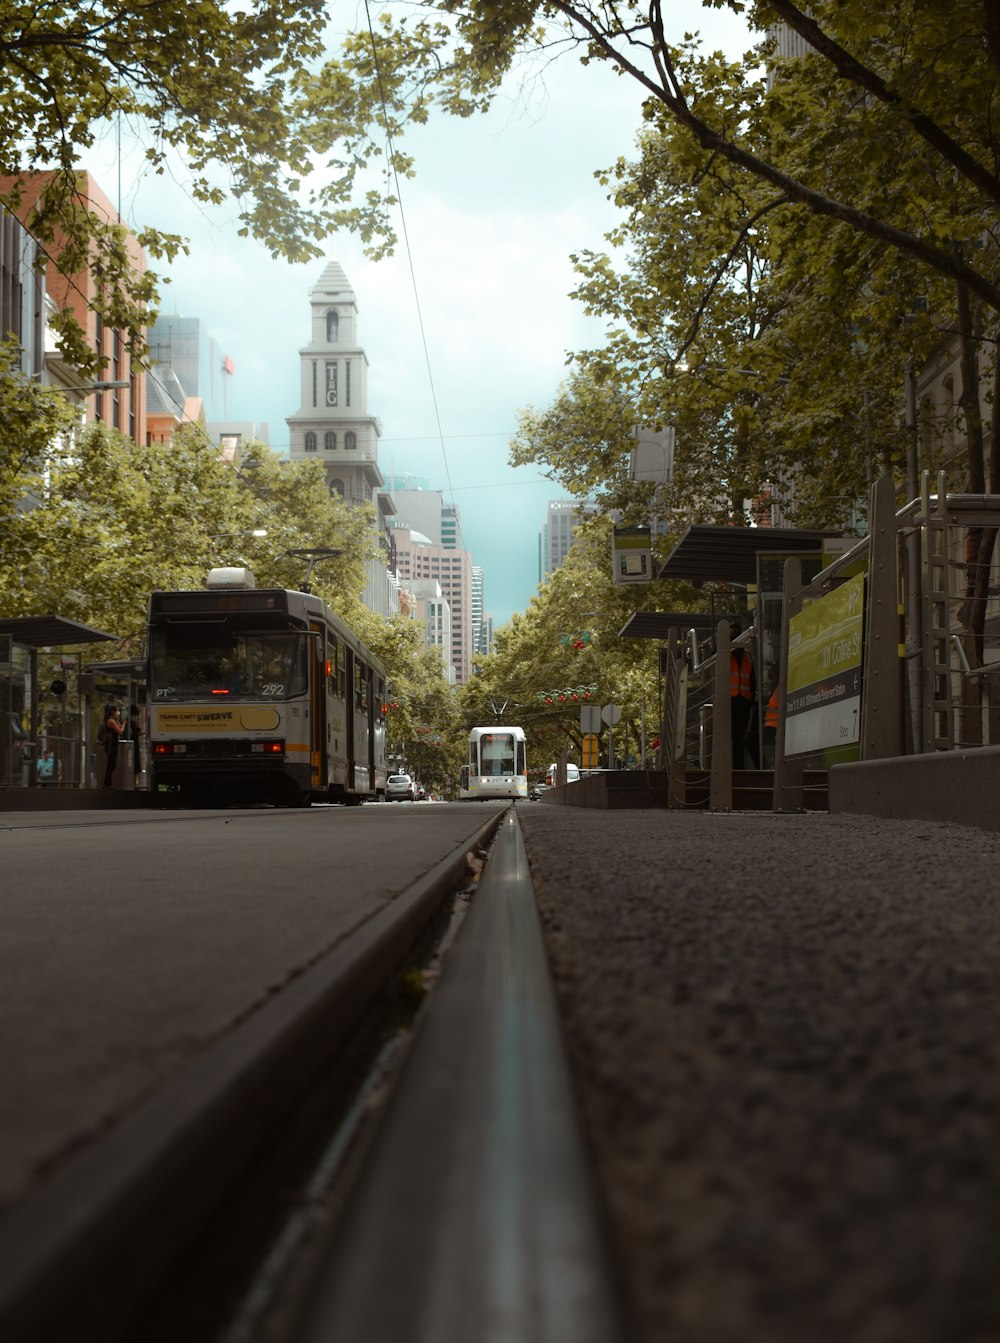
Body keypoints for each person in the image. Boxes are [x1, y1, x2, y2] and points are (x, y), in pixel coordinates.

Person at [729, 628, 756, 770]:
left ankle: (738, 766)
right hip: (729, 701)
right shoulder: (726, 654)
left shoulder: (748, 657)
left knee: (739, 737)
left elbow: (753, 679)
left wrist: (753, 702)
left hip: (743, 701)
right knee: (730, 735)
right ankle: (730, 765)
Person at [102, 703, 126, 787]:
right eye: (116, 711)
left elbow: (118, 726)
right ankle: (107, 783)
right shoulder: (110, 721)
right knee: (111, 764)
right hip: (110, 745)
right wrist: (124, 724)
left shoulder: (113, 720)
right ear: (112, 711)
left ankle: (108, 783)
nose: (117, 712)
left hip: (113, 744)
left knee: (112, 764)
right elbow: (120, 731)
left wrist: (118, 720)